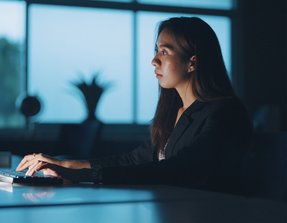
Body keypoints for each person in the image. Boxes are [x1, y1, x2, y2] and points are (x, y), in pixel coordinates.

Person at [16, 17, 253, 194]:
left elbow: (180, 169)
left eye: (164, 52)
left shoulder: (226, 112)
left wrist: (83, 175)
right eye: (155, 51)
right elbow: (132, 161)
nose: (154, 60)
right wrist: (62, 164)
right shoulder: (172, 112)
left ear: (192, 62)